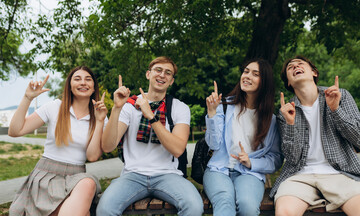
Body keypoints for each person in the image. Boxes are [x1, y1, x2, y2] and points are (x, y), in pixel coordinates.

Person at [96, 56, 203, 216]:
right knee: (104, 210)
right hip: (133, 175)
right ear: (148, 74)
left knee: (194, 207)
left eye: (168, 73)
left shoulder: (179, 108)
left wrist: (151, 117)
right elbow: (107, 146)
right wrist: (117, 109)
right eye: (158, 70)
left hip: (167, 175)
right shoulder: (129, 106)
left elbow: (178, 149)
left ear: (171, 81)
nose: (162, 75)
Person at [8, 66, 108, 216]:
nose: (83, 83)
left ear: (94, 87)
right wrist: (28, 98)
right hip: (45, 177)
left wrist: (100, 121)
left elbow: (93, 157)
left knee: (88, 183)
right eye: (77, 79)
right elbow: (15, 131)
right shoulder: (54, 107)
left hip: (76, 178)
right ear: (69, 86)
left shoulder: (100, 116)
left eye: (88, 79)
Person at [271, 55, 360, 216]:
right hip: (299, 176)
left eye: (300, 64)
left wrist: (336, 110)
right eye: (290, 67)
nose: (295, 67)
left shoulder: (341, 96)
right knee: (284, 212)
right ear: (289, 82)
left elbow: (358, 139)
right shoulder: (285, 111)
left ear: (314, 72)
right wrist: (290, 124)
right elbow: (292, 158)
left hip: (340, 174)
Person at [203, 58, 283, 216]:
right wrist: (212, 114)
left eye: (255, 74)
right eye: (246, 71)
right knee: (225, 202)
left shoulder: (271, 120)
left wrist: (251, 162)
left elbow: (276, 158)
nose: (247, 76)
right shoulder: (224, 107)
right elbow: (213, 145)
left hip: (249, 173)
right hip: (219, 169)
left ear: (264, 82)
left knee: (248, 206)